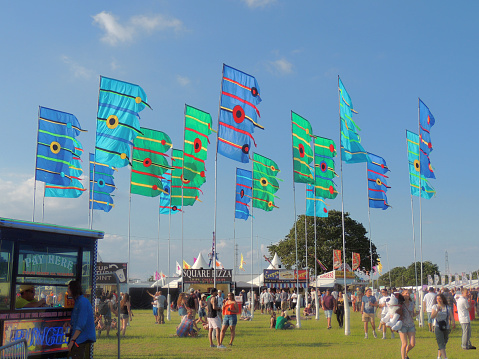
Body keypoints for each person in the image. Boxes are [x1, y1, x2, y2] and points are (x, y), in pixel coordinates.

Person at [64, 280, 96, 359]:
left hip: (82, 338)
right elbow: (76, 322)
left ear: (73, 290)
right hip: (79, 338)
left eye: (68, 289)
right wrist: (69, 324)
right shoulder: (78, 302)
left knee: (75, 354)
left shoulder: (83, 302)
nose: (67, 291)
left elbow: (81, 325)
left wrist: (72, 341)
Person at [431, 293, 454, 359]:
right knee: (440, 342)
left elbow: (451, 315)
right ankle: (445, 357)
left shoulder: (447, 307)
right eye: (437, 299)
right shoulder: (435, 307)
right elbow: (432, 316)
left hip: (446, 326)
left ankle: (439, 357)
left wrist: (453, 322)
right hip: (437, 326)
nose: (438, 300)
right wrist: (437, 311)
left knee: (444, 342)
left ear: (443, 299)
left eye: (440, 299)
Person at [398, 288, 417, 359]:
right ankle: (403, 357)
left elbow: (412, 314)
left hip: (411, 324)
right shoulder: (400, 304)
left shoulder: (412, 303)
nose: (407, 294)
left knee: (412, 344)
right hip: (403, 325)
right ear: (402, 294)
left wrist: (416, 314)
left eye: (408, 293)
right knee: (404, 343)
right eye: (406, 293)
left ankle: (405, 353)